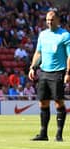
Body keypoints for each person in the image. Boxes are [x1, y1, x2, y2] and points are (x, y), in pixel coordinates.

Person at [28, 10, 70, 142]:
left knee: (58, 102)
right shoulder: (43, 35)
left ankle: (59, 134)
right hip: (44, 72)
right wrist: (32, 67)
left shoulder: (65, 35)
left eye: (51, 20)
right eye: (47, 20)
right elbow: (38, 53)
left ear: (58, 20)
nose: (49, 22)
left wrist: (68, 72)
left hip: (58, 72)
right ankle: (43, 133)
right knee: (43, 102)